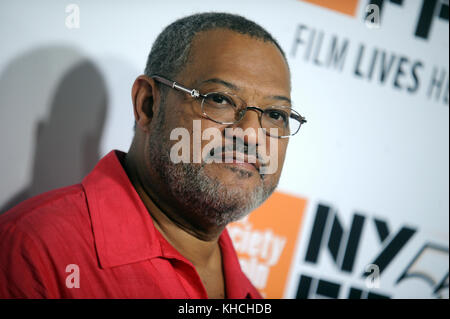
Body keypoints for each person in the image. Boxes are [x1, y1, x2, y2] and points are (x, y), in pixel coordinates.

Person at [0, 12, 306, 299]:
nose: (251, 134)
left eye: (276, 115)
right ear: (148, 105)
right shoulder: (35, 250)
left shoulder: (251, 294)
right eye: (220, 99)